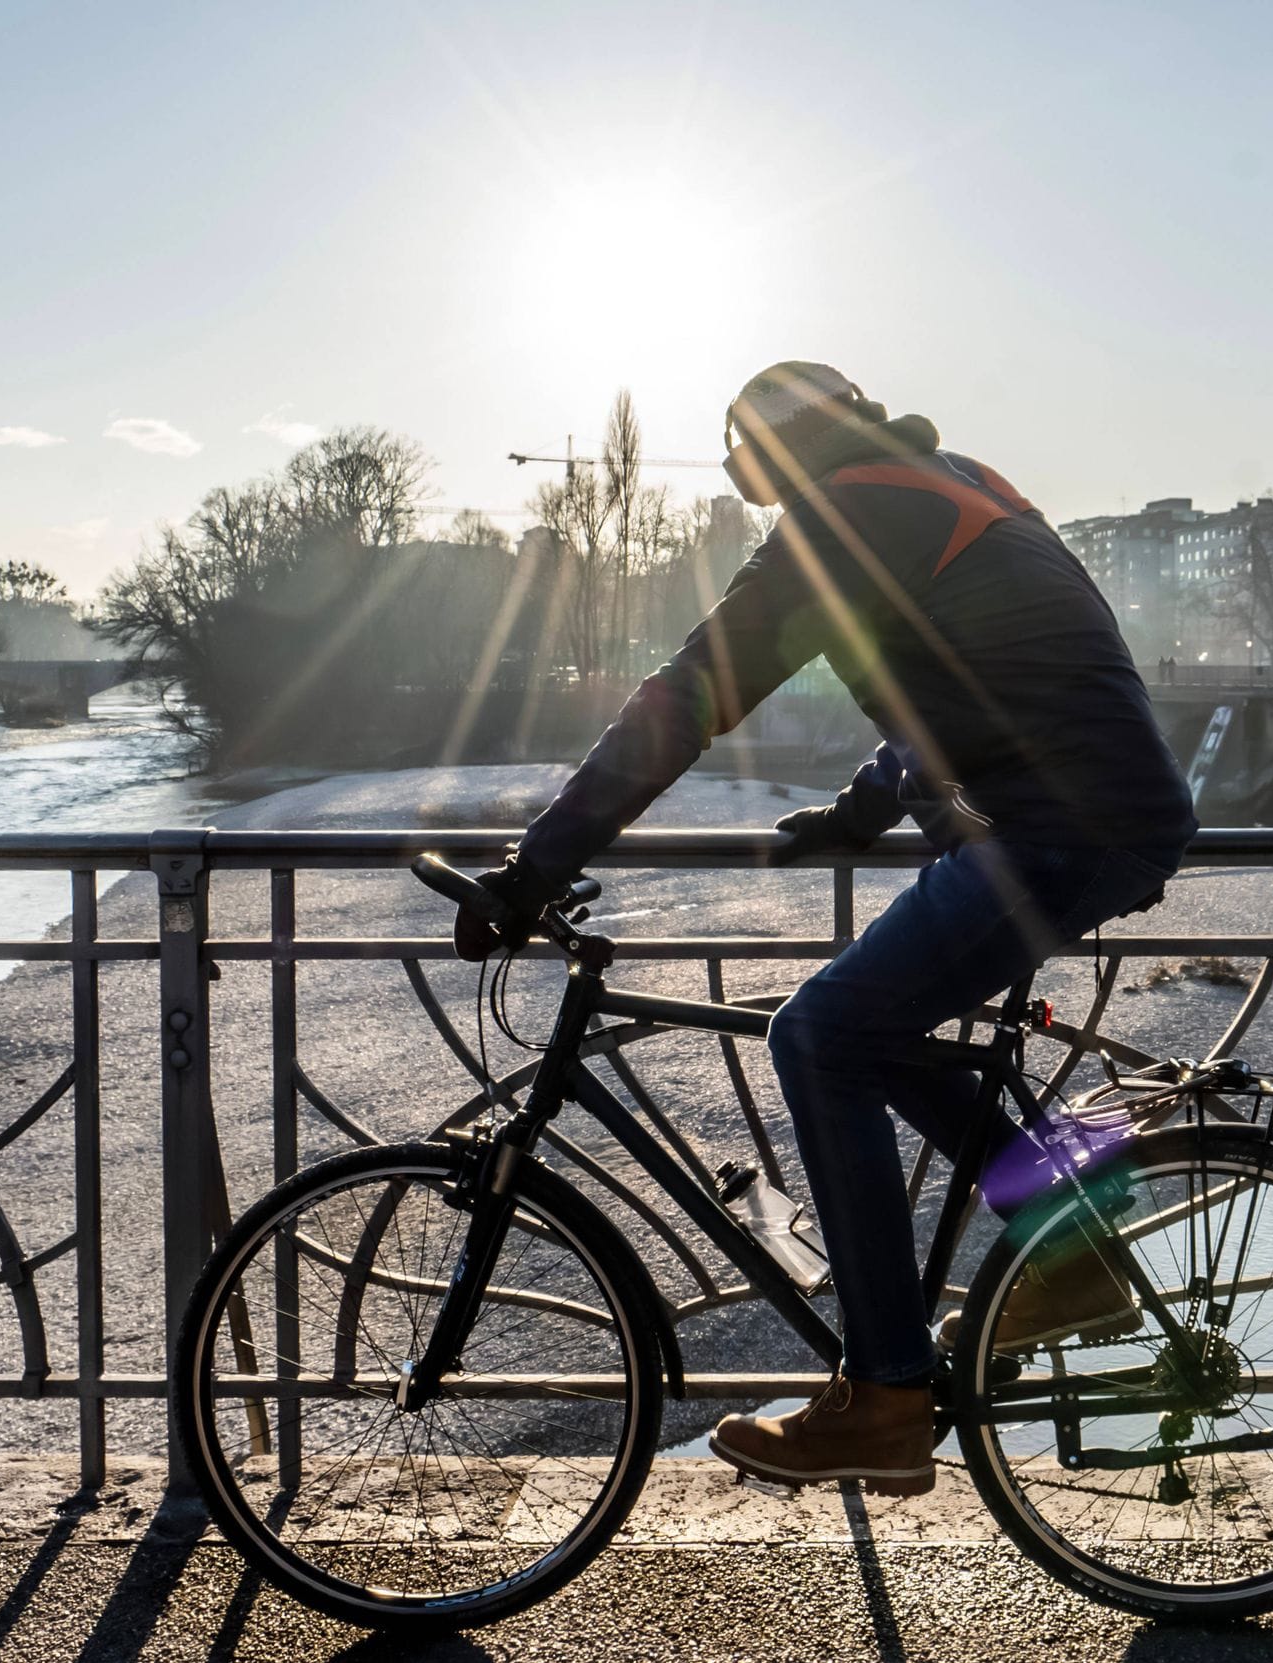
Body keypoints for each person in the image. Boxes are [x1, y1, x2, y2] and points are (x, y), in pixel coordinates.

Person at [452, 362, 1196, 1494]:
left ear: (776, 460)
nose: (769, 511)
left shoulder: (849, 516)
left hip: (1056, 831)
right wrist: (856, 810)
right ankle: (1074, 1247)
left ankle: (887, 1393)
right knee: (872, 1032)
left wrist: (534, 868)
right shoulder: (945, 483)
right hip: (1082, 815)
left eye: (759, 483)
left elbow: (689, 694)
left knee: (821, 1035)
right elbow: (977, 680)